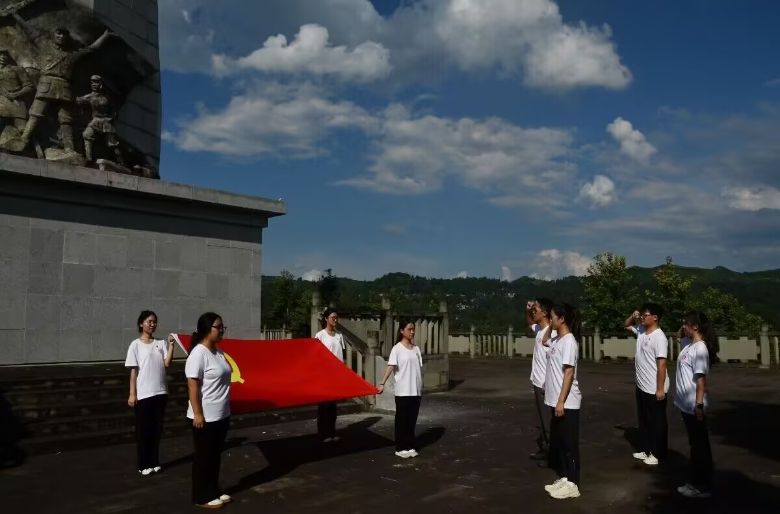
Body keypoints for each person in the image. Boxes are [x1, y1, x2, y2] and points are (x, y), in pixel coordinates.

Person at [186, 312, 233, 509]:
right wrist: (198, 413)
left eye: (223, 327)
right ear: (207, 329)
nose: (222, 330)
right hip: (205, 417)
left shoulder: (218, 352)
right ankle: (201, 496)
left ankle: (213, 489)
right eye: (218, 327)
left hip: (221, 414)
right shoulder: (199, 353)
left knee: (215, 456)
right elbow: (193, 386)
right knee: (204, 457)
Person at [125, 310, 174, 476]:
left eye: (154, 322)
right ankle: (143, 464)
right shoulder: (135, 345)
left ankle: (154, 461)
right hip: (144, 394)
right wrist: (132, 394)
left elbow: (167, 363)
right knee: (144, 431)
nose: (152, 324)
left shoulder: (160, 343)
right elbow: (133, 371)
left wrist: (171, 345)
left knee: (156, 430)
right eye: (149, 321)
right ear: (141, 324)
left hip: (160, 392)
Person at [674, 311, 717, 499]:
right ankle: (697, 482)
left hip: (694, 406)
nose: (683, 326)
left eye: (686, 323)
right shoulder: (688, 344)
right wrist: (685, 323)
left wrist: (698, 405)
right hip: (686, 405)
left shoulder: (700, 349)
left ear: (696, 326)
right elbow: (679, 334)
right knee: (696, 445)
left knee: (700, 447)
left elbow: (701, 381)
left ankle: (702, 486)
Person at [543, 303, 582, 500]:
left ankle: (573, 484)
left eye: (552, 317)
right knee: (560, 443)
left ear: (562, 318)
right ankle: (565, 478)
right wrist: (550, 325)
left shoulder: (569, 342)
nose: (550, 320)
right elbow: (544, 341)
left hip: (567, 402)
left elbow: (569, 373)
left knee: (569, 445)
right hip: (556, 401)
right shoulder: (557, 340)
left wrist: (560, 402)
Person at [624, 303, 669, 466]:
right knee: (644, 420)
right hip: (641, 385)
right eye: (642, 314)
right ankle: (646, 448)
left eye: (645, 314)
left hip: (654, 387)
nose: (642, 317)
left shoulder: (659, 337)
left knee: (657, 422)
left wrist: (660, 389)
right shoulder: (642, 331)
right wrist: (633, 315)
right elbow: (626, 325)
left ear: (655, 317)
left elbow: (662, 365)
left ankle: (658, 453)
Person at [377, 321, 423, 459]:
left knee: (412, 420)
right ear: (402, 331)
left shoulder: (416, 349)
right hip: (403, 391)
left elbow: (418, 369)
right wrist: (382, 383)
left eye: (413, 329)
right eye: (409, 329)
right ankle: (400, 447)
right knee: (402, 420)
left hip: (415, 391)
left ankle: (410, 445)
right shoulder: (397, 349)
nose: (412, 332)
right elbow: (391, 366)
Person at [526, 298, 555, 461]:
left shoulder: (552, 334)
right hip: (537, 382)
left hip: (545, 385)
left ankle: (552, 455)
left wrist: (548, 383)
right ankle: (546, 449)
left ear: (544, 313)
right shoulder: (539, 329)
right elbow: (530, 323)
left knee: (549, 421)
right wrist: (527, 309)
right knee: (543, 421)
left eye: (535, 310)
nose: (533, 312)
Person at [314, 307, 347, 443]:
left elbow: (342, 355)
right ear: (326, 319)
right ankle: (323, 434)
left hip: (336, 375)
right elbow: (316, 356)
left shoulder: (339, 335)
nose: (335, 320)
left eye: (336, 317)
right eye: (333, 317)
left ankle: (332, 432)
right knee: (324, 406)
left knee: (333, 406)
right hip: (324, 375)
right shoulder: (320, 335)